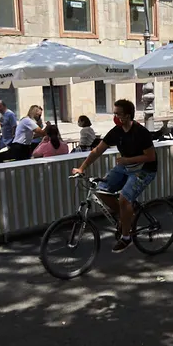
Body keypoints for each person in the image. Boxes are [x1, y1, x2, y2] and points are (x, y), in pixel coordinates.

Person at [71, 99, 157, 253]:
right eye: (114, 113)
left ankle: (126, 238)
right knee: (101, 190)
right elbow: (97, 150)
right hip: (125, 167)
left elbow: (150, 157)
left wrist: (127, 160)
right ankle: (125, 217)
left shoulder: (141, 132)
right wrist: (81, 168)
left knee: (124, 198)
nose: (115, 117)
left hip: (145, 169)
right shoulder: (116, 131)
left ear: (128, 115)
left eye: (118, 114)